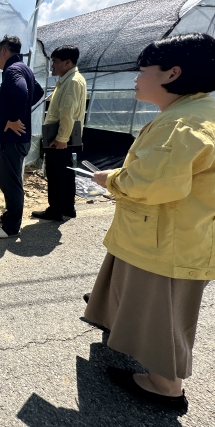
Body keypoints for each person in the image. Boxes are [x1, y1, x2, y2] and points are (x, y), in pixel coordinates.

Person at [85, 33, 215, 412]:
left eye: (143, 70)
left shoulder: (183, 124)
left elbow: (151, 183)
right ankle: (120, 328)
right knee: (135, 289)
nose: (136, 78)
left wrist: (111, 179)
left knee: (162, 311)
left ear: (172, 73)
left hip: (166, 240)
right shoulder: (197, 112)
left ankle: (165, 386)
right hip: (169, 231)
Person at [0, 35, 44, 238]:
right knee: (8, 180)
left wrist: (13, 118)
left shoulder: (12, 70)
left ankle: (11, 227)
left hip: (10, 140)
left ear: (4, 51)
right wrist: (22, 111)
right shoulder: (23, 68)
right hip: (15, 139)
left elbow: (22, 93)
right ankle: (9, 215)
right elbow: (38, 91)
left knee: (10, 182)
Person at [32, 45, 87, 221]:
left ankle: (55, 210)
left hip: (60, 136)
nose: (52, 66)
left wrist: (61, 138)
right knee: (66, 172)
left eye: (55, 62)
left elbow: (67, 112)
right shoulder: (71, 79)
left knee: (56, 173)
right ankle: (67, 207)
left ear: (67, 62)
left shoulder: (71, 82)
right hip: (67, 134)